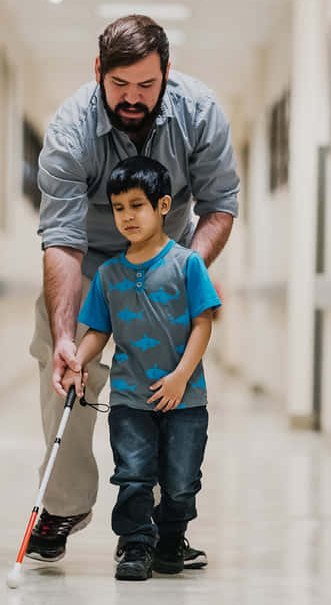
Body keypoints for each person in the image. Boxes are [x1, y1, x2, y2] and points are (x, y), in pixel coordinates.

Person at [26, 14, 239, 566]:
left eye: (147, 84)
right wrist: (66, 334)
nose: (132, 98)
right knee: (63, 364)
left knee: (163, 388)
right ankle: (64, 504)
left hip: (168, 256)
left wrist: (182, 271)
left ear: (167, 72)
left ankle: (155, 525)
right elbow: (62, 239)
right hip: (91, 261)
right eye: (119, 84)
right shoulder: (71, 129)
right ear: (98, 70)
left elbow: (220, 205)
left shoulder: (199, 113)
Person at [62, 156, 220, 580]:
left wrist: (181, 376)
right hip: (130, 398)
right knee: (133, 475)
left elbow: (203, 323)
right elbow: (98, 330)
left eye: (137, 205)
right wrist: (78, 359)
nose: (127, 216)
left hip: (184, 399)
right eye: (119, 208)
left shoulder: (187, 264)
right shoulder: (109, 274)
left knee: (181, 481)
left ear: (163, 205)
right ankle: (135, 544)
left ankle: (171, 539)